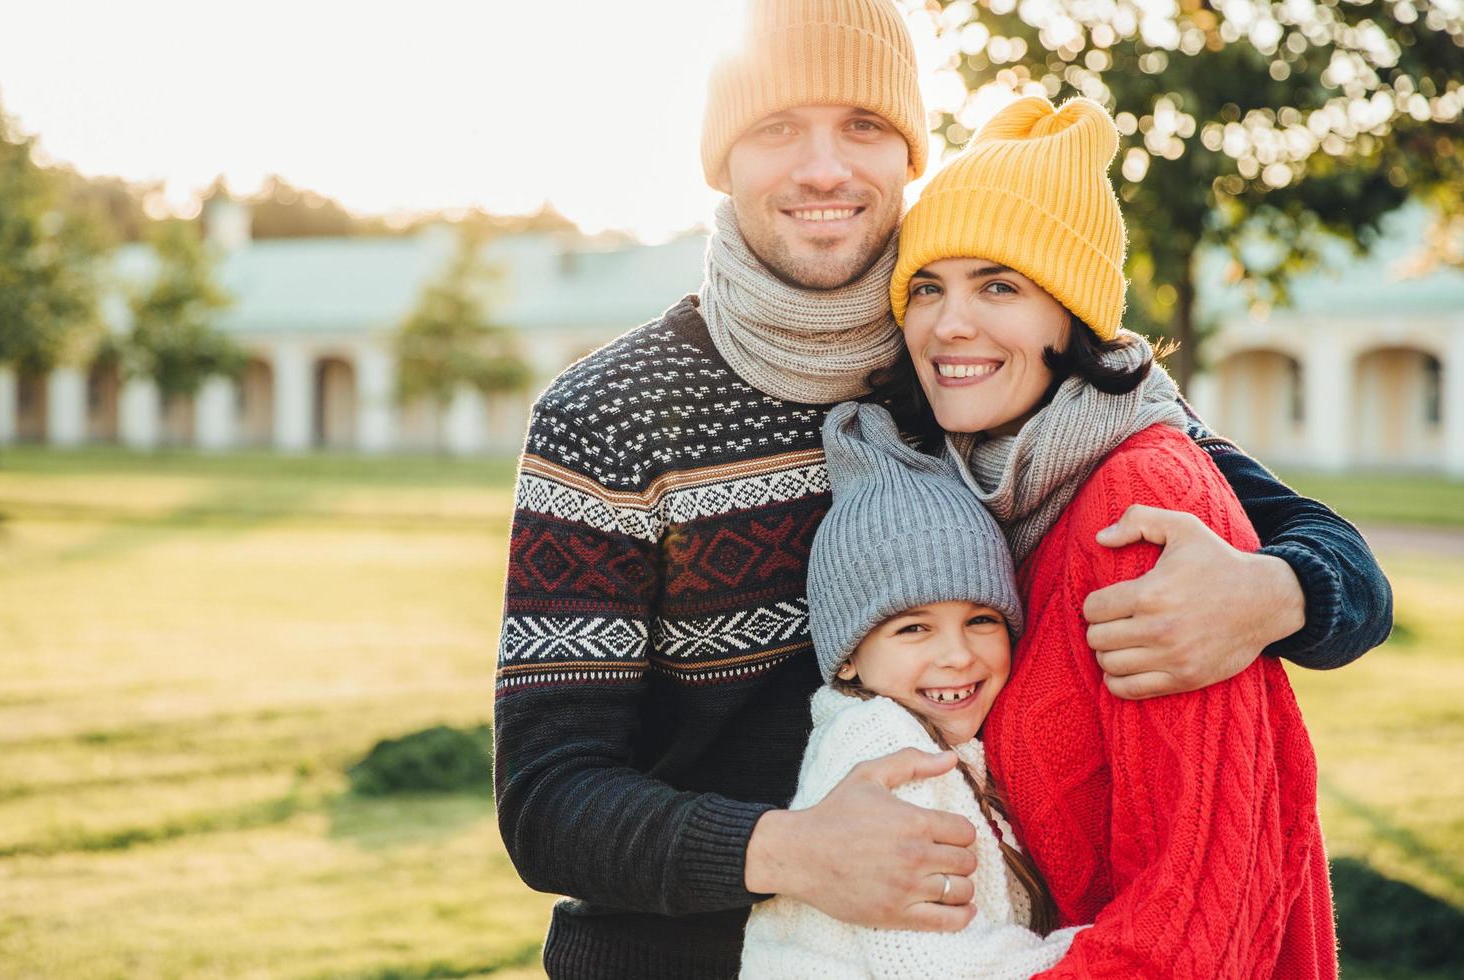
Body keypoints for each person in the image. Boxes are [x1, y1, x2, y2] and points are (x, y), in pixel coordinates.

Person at [493, 1, 1387, 976]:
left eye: (864, 126)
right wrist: (794, 850)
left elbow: (1332, 559)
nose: (826, 167)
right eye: (777, 128)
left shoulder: (967, 364)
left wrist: (1278, 590)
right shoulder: (608, 413)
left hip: (974, 944)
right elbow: (547, 799)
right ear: (722, 161)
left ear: (909, 155)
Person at [884, 93, 1337, 976]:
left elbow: (1205, 919)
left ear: (1072, 316)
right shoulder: (975, 493)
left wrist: (1288, 588)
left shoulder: (1139, 498)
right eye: (928, 287)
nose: (949, 324)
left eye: (1000, 286)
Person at [739, 399, 1086, 978]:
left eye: (982, 620)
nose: (956, 655)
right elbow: (935, 962)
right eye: (914, 628)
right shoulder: (883, 747)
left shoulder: (943, 739)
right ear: (848, 657)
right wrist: (1115, 947)